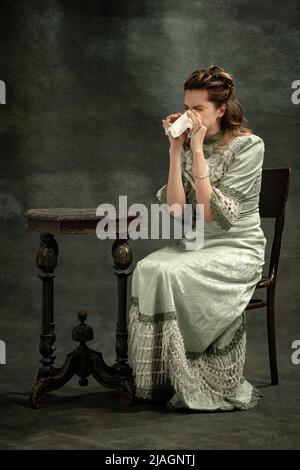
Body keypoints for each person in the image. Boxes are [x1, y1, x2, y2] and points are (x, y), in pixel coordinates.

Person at [128, 64, 267, 411]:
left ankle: (191, 369)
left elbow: (209, 213)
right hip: (197, 244)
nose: (191, 116)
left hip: (238, 247)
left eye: (199, 109)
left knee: (172, 272)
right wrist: (176, 150)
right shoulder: (189, 145)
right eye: (187, 107)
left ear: (220, 109)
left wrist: (199, 149)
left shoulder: (249, 146)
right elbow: (176, 209)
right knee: (148, 268)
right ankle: (159, 379)